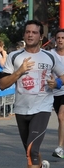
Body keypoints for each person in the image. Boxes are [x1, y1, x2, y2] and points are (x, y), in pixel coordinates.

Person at [0, 20, 64, 168]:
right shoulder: (15, 56)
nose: (30, 35)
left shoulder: (49, 58)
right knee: (29, 149)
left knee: (31, 151)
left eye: (34, 32)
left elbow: (63, 76)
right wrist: (19, 71)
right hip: (21, 109)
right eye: (27, 32)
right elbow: (2, 84)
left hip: (42, 107)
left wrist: (57, 84)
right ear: (24, 34)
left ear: (41, 37)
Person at [51, 29, 64, 159]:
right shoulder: (51, 54)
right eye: (58, 38)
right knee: (62, 120)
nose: (60, 40)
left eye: (63, 38)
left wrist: (59, 82)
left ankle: (60, 148)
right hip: (54, 93)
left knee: (61, 117)